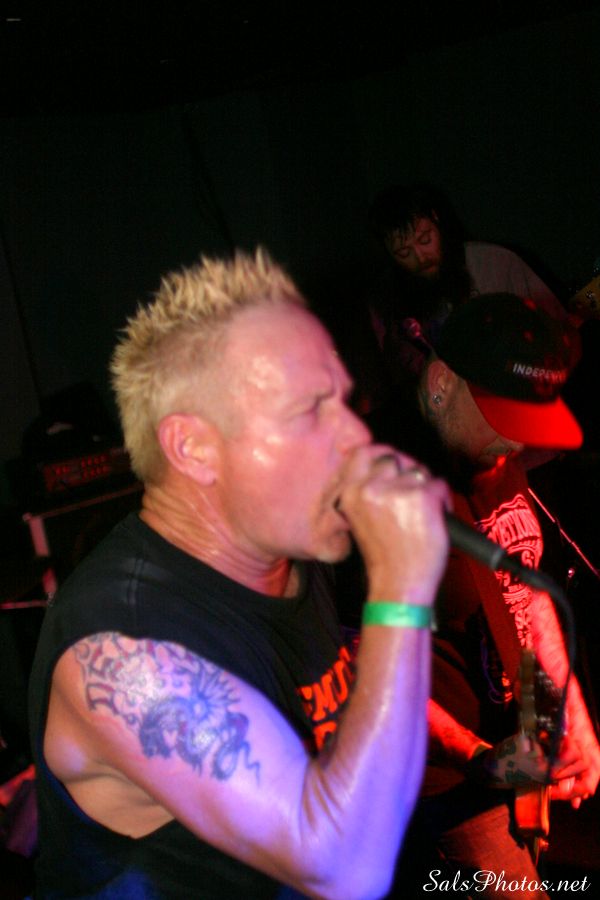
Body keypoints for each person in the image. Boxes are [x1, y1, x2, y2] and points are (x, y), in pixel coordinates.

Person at [28, 249, 451, 899]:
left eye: (345, 401)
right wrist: (403, 585)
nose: (356, 437)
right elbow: (343, 868)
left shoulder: (289, 557)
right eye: (309, 410)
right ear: (194, 447)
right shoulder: (122, 651)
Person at [366, 293, 600, 899]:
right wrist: (480, 760)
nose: (517, 443)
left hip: (513, 753)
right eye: (506, 418)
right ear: (442, 383)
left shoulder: (491, 452)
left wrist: (566, 711)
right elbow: (361, 672)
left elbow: (528, 591)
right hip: (441, 784)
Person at [364, 182, 577, 388]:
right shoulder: (385, 300)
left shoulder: (496, 262)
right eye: (404, 253)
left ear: (435, 218)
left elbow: (561, 330)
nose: (420, 258)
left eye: (425, 240)